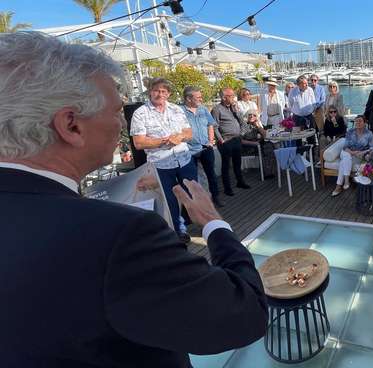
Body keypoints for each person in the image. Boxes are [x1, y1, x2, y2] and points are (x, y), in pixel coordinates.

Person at [0, 31, 267, 366]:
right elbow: (245, 313)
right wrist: (213, 223)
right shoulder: (119, 235)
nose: (121, 127)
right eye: (115, 113)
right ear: (71, 125)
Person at [131, 77, 197, 242]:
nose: (160, 94)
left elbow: (189, 133)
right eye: (156, 91)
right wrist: (165, 140)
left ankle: (187, 220)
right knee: (169, 200)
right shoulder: (140, 113)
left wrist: (180, 136)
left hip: (184, 160)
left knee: (192, 192)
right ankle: (178, 231)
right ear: (150, 92)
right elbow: (138, 143)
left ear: (168, 94)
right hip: (160, 165)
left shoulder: (176, 109)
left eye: (163, 91)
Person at [182, 86, 223, 208]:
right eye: (198, 97)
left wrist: (211, 140)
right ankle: (197, 202)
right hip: (189, 150)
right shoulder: (180, 111)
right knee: (192, 178)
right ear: (189, 98)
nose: (201, 99)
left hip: (206, 147)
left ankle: (215, 197)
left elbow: (210, 125)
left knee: (211, 174)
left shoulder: (203, 109)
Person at [211, 88, 251, 195]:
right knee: (226, 165)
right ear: (224, 98)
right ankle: (227, 188)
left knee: (237, 163)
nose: (234, 98)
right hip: (226, 141)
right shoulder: (216, 109)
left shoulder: (234, 108)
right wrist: (221, 140)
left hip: (237, 139)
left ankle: (240, 182)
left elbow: (242, 122)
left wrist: (241, 134)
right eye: (232, 96)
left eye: (234, 95)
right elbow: (214, 127)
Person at [332, 115, 373, 197]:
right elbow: (345, 147)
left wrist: (363, 152)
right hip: (347, 152)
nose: (358, 123)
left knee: (343, 162)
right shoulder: (350, 131)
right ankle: (346, 180)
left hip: (358, 155)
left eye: (360, 121)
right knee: (346, 155)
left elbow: (372, 147)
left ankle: (338, 186)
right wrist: (352, 152)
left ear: (364, 123)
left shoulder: (369, 133)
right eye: (356, 121)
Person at [240, 108, 276, 179]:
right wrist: (254, 143)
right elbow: (241, 141)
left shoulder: (258, 125)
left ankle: (270, 171)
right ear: (247, 116)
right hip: (249, 146)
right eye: (250, 115)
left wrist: (258, 126)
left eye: (254, 115)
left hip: (259, 145)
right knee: (266, 148)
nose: (251, 116)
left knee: (270, 146)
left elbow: (265, 136)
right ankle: (267, 173)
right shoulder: (244, 126)